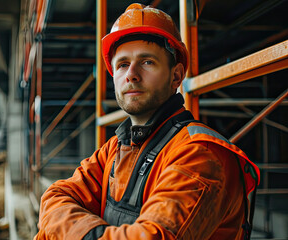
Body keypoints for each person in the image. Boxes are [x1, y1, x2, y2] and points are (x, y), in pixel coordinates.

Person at [35, 3, 260, 240]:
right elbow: (54, 196)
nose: (131, 73)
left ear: (176, 76)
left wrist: (71, 230)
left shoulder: (200, 154)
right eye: (122, 64)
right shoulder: (117, 148)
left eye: (147, 62)